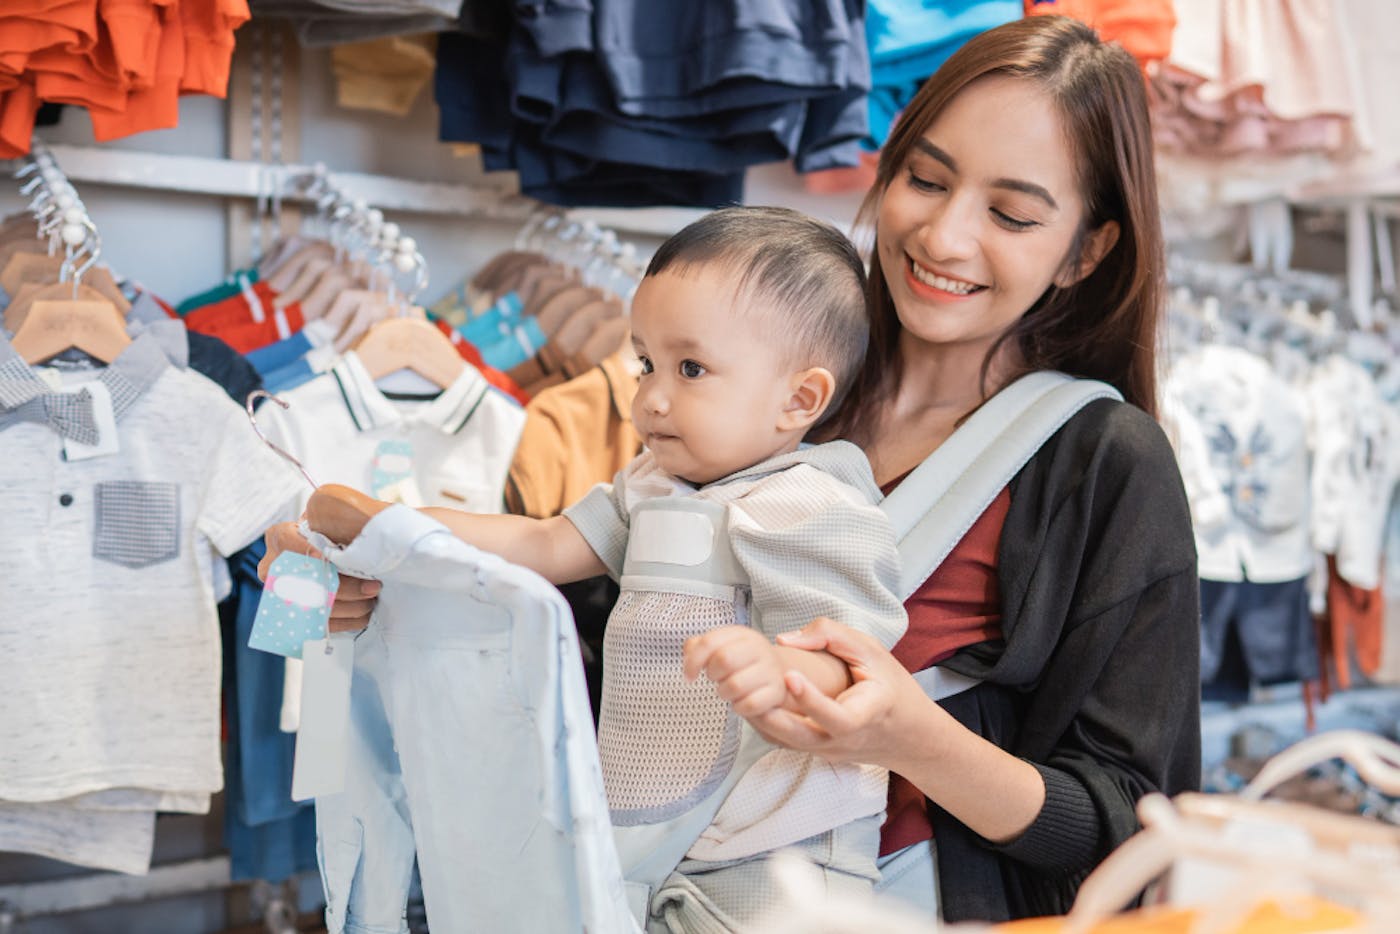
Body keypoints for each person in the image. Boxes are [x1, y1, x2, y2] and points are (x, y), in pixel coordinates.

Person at [278, 206, 909, 931]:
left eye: (691, 369)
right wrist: (390, 523)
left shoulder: (810, 502)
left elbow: (861, 663)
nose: (650, 397)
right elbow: (544, 545)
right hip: (652, 831)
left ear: (800, 399)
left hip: (776, 849)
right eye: (646, 363)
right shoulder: (649, 486)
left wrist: (780, 669)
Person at [734, 14, 1202, 924]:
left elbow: (1133, 826)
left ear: (1087, 251)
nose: (944, 238)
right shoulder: (772, 385)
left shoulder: (1107, 465)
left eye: (1012, 214)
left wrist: (911, 737)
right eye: (926, 179)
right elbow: (620, 606)